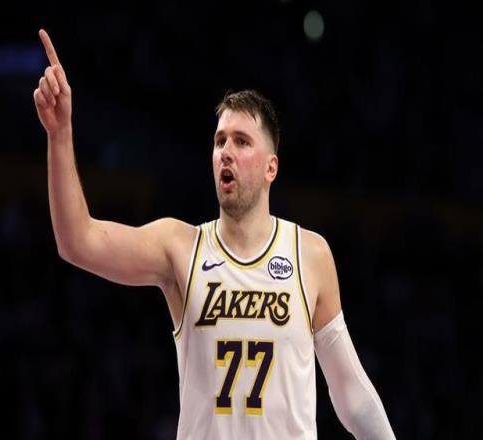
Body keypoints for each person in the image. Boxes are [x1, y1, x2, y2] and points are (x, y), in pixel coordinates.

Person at [33, 28, 396, 439]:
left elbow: (351, 392)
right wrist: (59, 135)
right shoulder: (180, 247)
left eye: (241, 142)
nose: (226, 152)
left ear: (271, 167)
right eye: (220, 141)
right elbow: (77, 241)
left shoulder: (309, 253)